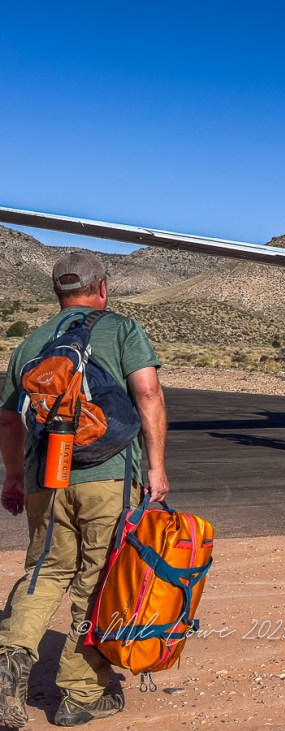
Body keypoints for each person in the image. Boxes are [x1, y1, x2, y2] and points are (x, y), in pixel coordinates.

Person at [0, 251, 170, 727]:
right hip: (110, 476)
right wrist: (155, 468)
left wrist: (14, 477)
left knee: (44, 571)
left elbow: (9, 419)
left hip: (46, 479)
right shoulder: (121, 329)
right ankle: (81, 694)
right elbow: (149, 394)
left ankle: (10, 658)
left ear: (57, 294)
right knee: (99, 579)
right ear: (103, 288)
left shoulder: (31, 344)